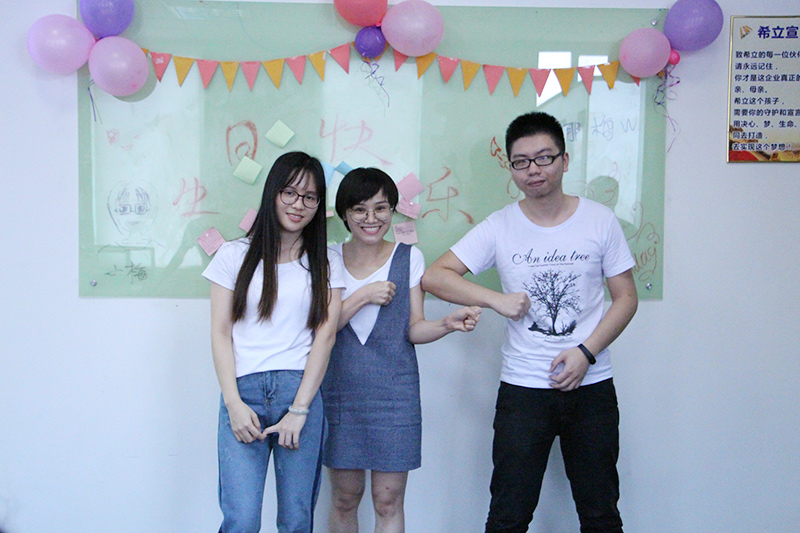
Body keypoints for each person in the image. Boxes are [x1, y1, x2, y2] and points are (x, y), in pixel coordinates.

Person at [421, 111, 638, 533]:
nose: (533, 170)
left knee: (600, 514)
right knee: (508, 515)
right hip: (523, 389)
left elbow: (626, 298)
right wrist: (496, 300)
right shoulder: (500, 225)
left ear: (565, 160)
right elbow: (435, 276)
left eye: (544, 158)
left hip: (591, 387)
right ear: (511, 169)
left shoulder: (599, 220)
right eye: (521, 162)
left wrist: (586, 353)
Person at [321, 168, 481, 533]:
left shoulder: (409, 258)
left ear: (393, 210)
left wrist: (447, 323)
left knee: (388, 500)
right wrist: (363, 296)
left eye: (381, 208)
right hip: (339, 393)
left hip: (395, 397)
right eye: (360, 209)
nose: (371, 218)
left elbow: (413, 329)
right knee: (344, 498)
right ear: (344, 213)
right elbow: (322, 329)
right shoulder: (327, 258)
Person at [202, 151, 344, 533]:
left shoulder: (327, 262)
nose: (299, 205)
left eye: (310, 197)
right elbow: (220, 332)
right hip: (243, 394)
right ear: (273, 193)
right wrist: (233, 403)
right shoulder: (233, 255)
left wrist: (300, 409)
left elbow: (326, 336)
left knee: (296, 520)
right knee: (242, 520)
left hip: (299, 393)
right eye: (290, 193)